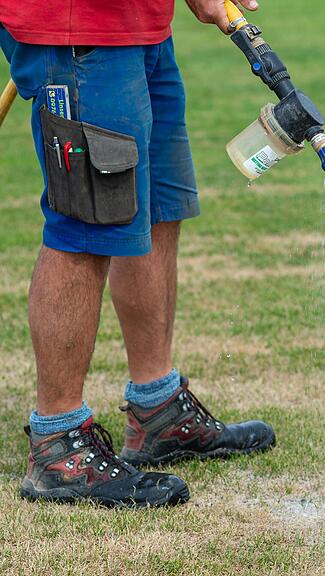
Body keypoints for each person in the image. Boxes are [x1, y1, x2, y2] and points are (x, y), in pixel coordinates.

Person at [0, 0, 275, 507]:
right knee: (87, 217)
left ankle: (158, 410)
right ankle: (58, 446)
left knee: (154, 206)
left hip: (139, 24)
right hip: (77, 27)